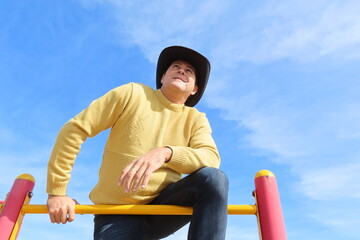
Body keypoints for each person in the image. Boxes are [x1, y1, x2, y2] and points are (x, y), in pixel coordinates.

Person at [46, 46, 229, 239]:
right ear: (162, 77)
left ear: (194, 89)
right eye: (176, 66)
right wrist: (57, 192)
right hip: (116, 214)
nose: (181, 70)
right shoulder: (133, 93)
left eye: (189, 71)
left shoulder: (196, 119)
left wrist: (166, 153)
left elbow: (211, 158)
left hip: (164, 208)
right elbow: (74, 129)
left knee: (214, 178)